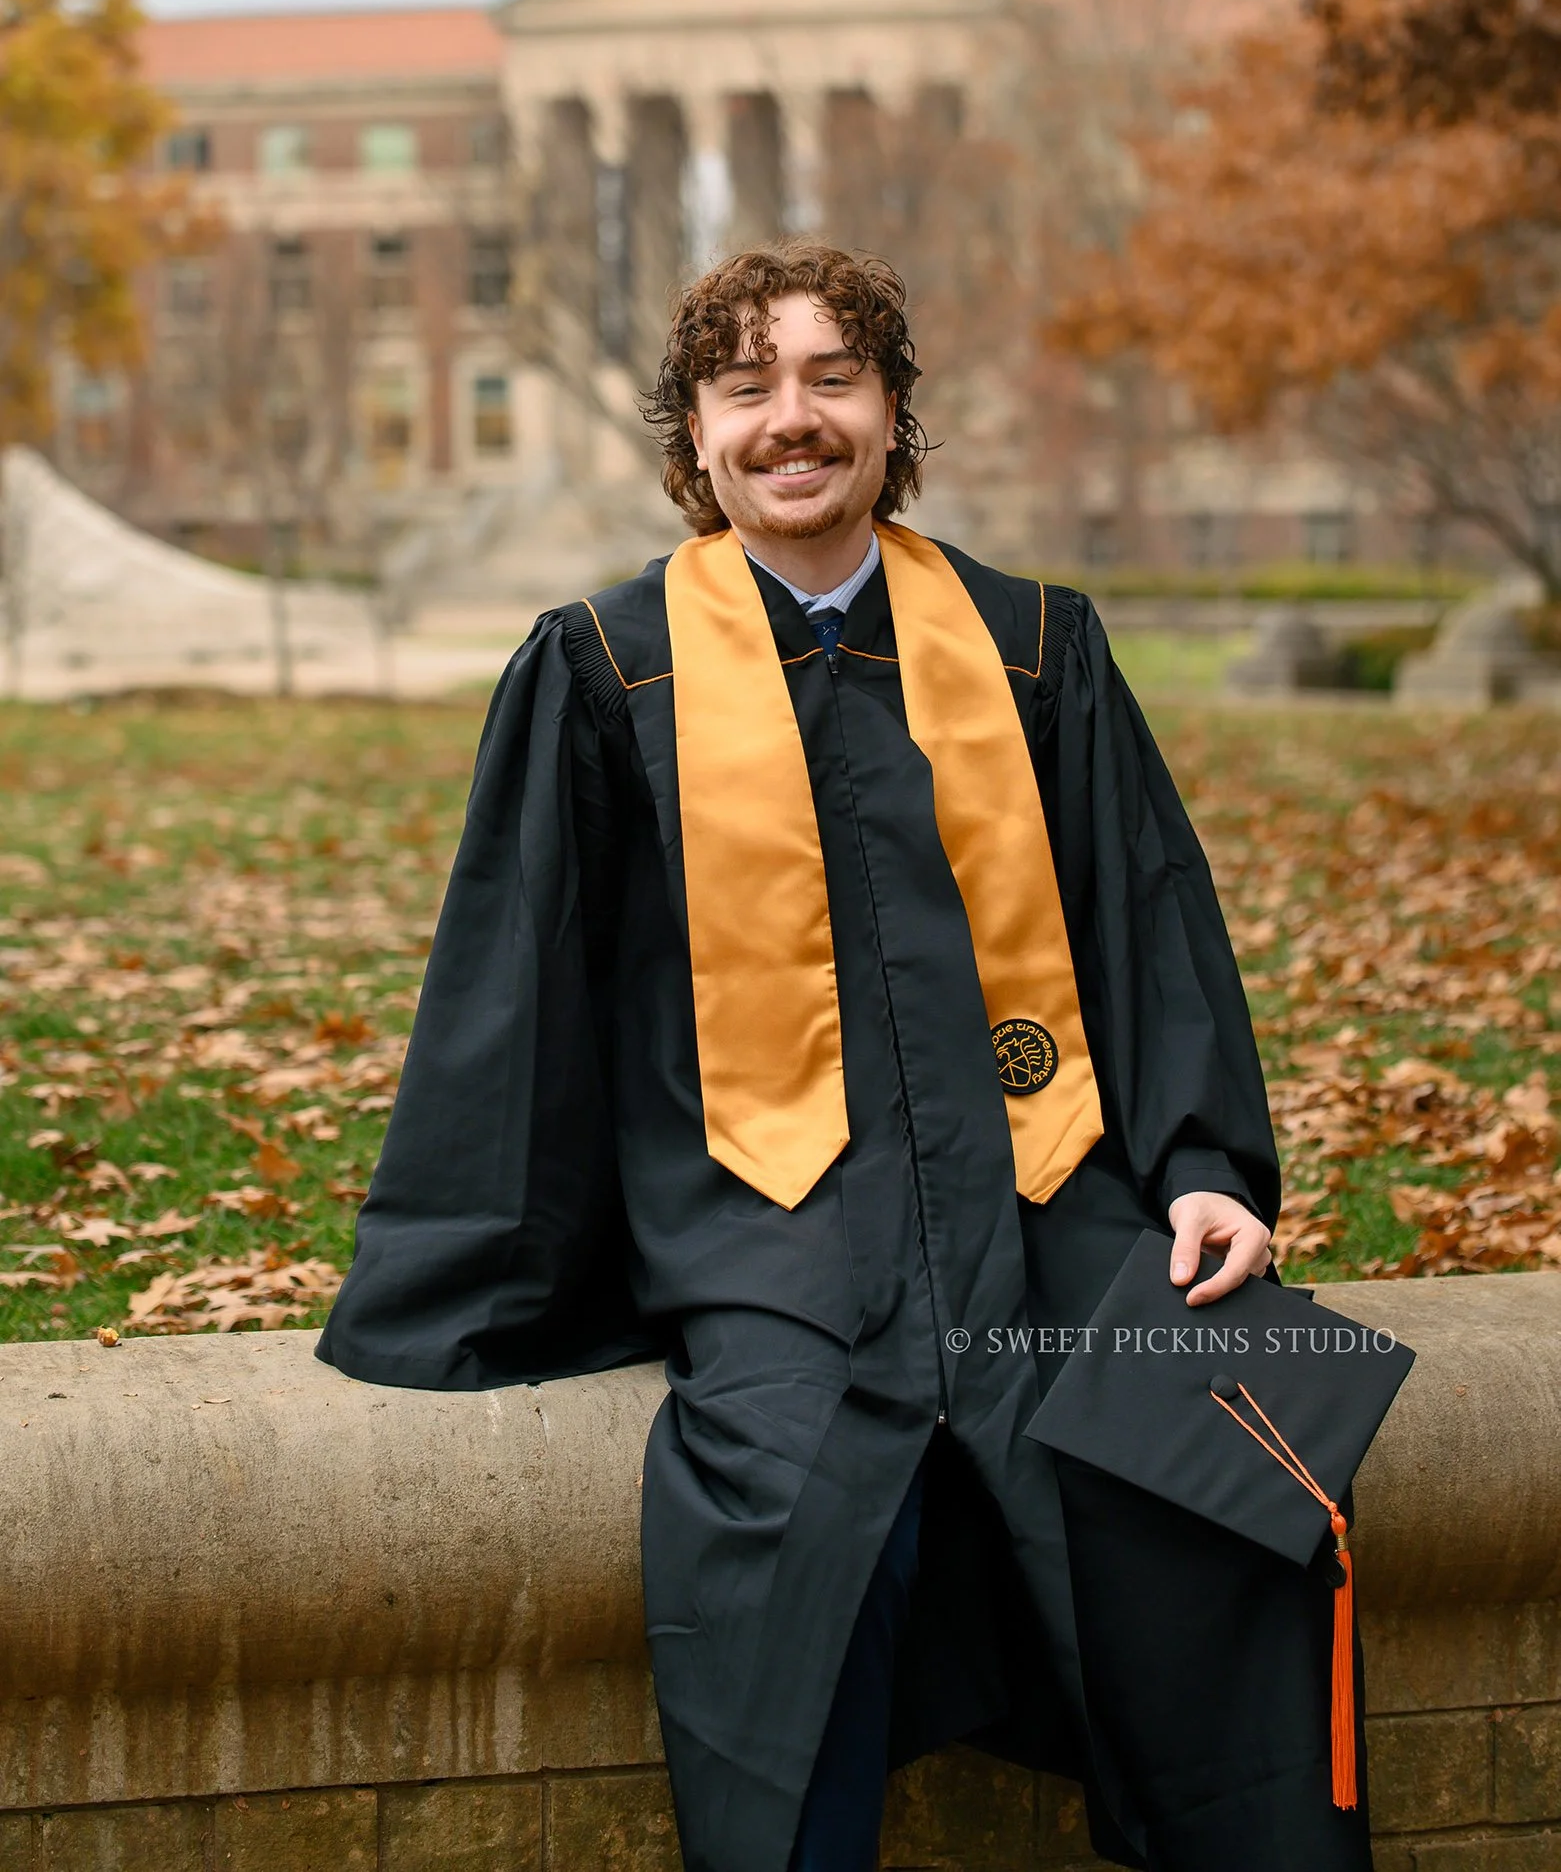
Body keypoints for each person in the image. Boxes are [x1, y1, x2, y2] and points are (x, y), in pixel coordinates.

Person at [319, 243, 1372, 1872]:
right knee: (792, 1518)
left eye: (833, 379)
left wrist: (1210, 1168)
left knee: (1223, 1435)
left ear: (893, 414)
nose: (791, 420)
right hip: (773, 1223)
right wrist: (495, 1263)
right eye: (747, 388)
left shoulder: (1034, 647)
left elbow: (1145, 924)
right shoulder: (608, 670)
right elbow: (521, 1001)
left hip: (1050, 1201)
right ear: (696, 434)